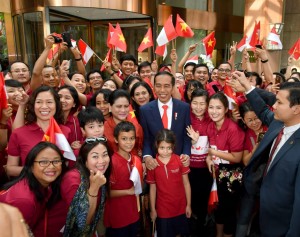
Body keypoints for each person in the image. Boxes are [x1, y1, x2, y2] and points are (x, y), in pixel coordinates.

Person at [233, 71, 300, 237]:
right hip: (265, 214)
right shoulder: (278, 124)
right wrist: (247, 87)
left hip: (283, 223)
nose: (274, 106)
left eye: (279, 102)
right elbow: (262, 110)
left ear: (296, 109)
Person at [0, 142, 66, 236]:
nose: (51, 166)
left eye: (56, 161)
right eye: (43, 162)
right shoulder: (24, 201)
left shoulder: (42, 184)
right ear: (31, 166)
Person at [7, 86, 70, 177]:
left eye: (49, 102)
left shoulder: (66, 131)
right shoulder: (19, 133)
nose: (44, 106)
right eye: (39, 102)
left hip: (59, 188)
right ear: (33, 105)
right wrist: (37, 170)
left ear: (56, 105)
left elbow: (68, 163)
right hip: (29, 187)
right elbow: (10, 169)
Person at [205, 92, 245, 237]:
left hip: (231, 174)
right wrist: (209, 159)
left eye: (218, 108)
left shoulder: (233, 128)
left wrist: (212, 153)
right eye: (211, 107)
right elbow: (209, 155)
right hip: (215, 173)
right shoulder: (210, 126)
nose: (214, 111)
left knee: (228, 211)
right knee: (218, 209)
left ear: (226, 109)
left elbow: (237, 157)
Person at [139, 71, 191, 170]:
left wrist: (186, 154)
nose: (162, 90)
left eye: (166, 86)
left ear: (172, 87)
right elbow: (146, 138)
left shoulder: (184, 108)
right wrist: (147, 157)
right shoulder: (145, 110)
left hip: (179, 163)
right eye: (158, 86)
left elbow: (186, 136)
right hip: (155, 164)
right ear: (153, 87)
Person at [146, 129, 191, 237]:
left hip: (180, 207)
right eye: (162, 148)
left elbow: (186, 184)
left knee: (181, 233)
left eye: (169, 148)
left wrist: (188, 205)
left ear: (173, 147)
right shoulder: (153, 165)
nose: (165, 151)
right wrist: (153, 210)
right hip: (163, 210)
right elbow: (152, 188)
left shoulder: (180, 161)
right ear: (157, 145)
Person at [61, 137, 110, 236]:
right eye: (95, 156)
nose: (102, 161)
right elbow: (82, 223)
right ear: (85, 160)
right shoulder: (73, 179)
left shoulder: (97, 175)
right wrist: (94, 188)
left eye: (105, 155)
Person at [104, 121, 141, 237]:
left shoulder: (136, 159)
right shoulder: (111, 161)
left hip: (133, 214)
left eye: (132, 138)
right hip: (117, 217)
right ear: (116, 139)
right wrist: (128, 191)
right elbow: (106, 193)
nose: (129, 142)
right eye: (124, 139)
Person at [185, 89, 213, 236]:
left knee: (204, 199)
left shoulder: (212, 118)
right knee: (191, 198)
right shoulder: (186, 118)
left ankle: (203, 225)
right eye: (195, 103)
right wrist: (192, 140)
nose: (198, 107)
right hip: (190, 169)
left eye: (202, 103)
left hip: (206, 168)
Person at [104, 89, 143, 156]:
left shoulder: (136, 127)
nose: (123, 110)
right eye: (119, 106)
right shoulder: (103, 128)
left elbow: (140, 149)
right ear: (110, 107)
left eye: (126, 106)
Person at [58, 85, 83, 150]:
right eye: (59, 97)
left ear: (74, 103)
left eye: (67, 98)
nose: (62, 100)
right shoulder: (48, 119)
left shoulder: (76, 122)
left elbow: (78, 143)